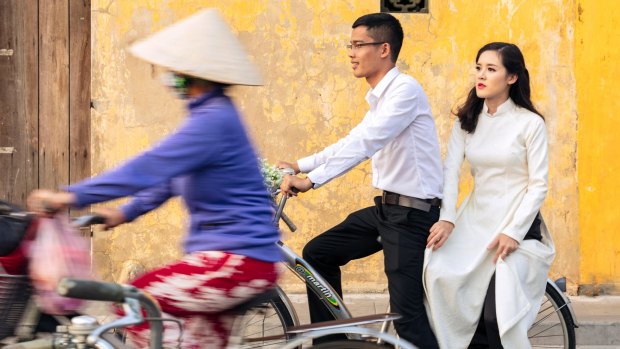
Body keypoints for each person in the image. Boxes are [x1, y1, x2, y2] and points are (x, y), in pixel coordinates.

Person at [27, 9, 280, 349]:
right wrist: (125, 213)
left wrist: (70, 197)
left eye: (174, 70)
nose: (167, 76)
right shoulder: (214, 116)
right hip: (241, 259)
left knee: (136, 301)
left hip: (235, 259)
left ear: (191, 74)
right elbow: (171, 178)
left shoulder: (211, 121)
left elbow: (146, 168)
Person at [279, 13, 443, 348]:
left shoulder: (405, 91)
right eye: (350, 45)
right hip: (387, 210)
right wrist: (299, 164)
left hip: (412, 217)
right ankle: (333, 343)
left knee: (407, 318)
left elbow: (366, 144)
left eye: (358, 45)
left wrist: (311, 181)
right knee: (318, 253)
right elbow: (353, 138)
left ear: (384, 49)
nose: (351, 53)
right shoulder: (381, 98)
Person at [423, 42, 556, 348]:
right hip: (475, 218)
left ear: (512, 78)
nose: (481, 75)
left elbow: (538, 184)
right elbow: (451, 172)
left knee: (496, 313)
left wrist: (513, 232)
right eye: (479, 67)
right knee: (438, 272)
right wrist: (447, 219)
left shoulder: (530, 123)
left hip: (517, 221)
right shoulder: (467, 120)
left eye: (491, 69)